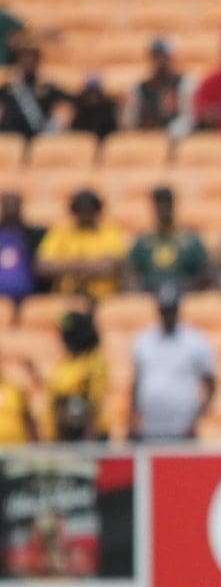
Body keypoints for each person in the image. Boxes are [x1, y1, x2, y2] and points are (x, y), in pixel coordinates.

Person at [130, 284, 216, 440]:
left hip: (183, 427)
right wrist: (132, 420)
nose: (168, 316)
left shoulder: (195, 341)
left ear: (178, 310)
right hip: (149, 426)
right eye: (165, 311)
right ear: (159, 311)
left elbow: (211, 383)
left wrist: (198, 417)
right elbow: (136, 382)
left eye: (171, 311)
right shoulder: (143, 340)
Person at [35, 189, 127, 300]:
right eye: (81, 210)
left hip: (102, 298)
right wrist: (85, 266)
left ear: (97, 211)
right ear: (74, 211)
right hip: (66, 297)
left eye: (89, 210)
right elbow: (43, 266)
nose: (85, 214)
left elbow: (108, 267)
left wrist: (67, 266)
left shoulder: (109, 232)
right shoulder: (61, 232)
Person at [126, 186, 211, 294]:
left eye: (167, 203)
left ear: (174, 205)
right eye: (159, 204)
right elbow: (131, 272)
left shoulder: (190, 240)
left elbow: (205, 270)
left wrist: (192, 289)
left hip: (184, 292)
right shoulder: (143, 242)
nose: (164, 209)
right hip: (150, 292)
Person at [47, 310, 108, 442]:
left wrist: (89, 443)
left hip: (86, 437)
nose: (62, 337)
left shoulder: (94, 361)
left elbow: (95, 404)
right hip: (65, 436)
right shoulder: (66, 361)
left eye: (66, 332)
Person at [0, 39, 69, 139]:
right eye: (24, 58)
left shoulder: (48, 87)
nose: (28, 62)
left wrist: (57, 122)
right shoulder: (8, 87)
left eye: (32, 58)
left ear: (37, 62)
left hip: (38, 137)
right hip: (11, 136)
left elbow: (73, 101)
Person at [128, 36, 194, 137]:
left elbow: (189, 117)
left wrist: (170, 132)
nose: (160, 61)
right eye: (156, 56)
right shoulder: (141, 88)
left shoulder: (184, 83)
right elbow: (131, 120)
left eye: (164, 56)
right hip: (148, 138)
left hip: (176, 137)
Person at [0, 191, 46, 307]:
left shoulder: (33, 234)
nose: (11, 209)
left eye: (14, 205)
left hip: (28, 292)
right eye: (7, 205)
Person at [68, 76, 119, 140]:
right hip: (81, 138)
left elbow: (113, 129)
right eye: (90, 91)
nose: (93, 96)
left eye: (96, 92)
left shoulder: (108, 106)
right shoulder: (78, 105)